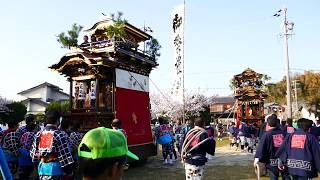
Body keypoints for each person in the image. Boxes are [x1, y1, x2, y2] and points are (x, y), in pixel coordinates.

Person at [30, 110, 74, 180]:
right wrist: (69, 171)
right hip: (56, 171)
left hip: (42, 170)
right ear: (58, 120)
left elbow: (33, 154)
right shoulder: (59, 134)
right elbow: (65, 156)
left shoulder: (39, 134)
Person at [254, 115, 290, 180]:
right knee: (285, 175)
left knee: (274, 176)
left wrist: (257, 158)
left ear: (268, 124)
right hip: (283, 158)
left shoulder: (267, 135)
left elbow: (261, 147)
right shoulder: (283, 133)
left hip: (272, 160)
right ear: (277, 123)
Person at [18, 114, 40, 179]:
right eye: (34, 121)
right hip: (25, 152)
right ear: (30, 121)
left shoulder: (37, 128)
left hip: (32, 152)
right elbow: (18, 140)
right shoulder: (21, 129)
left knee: (29, 170)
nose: (35, 122)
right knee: (25, 170)